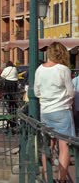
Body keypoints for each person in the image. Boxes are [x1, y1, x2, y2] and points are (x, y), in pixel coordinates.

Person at [34, 43, 75, 182]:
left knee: (48, 146)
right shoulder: (63, 69)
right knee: (64, 146)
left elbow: (36, 92)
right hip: (62, 111)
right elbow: (71, 92)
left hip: (46, 111)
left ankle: (47, 177)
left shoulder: (39, 69)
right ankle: (61, 179)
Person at [0, 61, 19, 130]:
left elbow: (2, 76)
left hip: (8, 84)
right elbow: (17, 76)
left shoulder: (6, 69)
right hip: (14, 84)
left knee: (9, 101)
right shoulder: (15, 69)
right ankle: (14, 103)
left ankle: (9, 101)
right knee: (13, 100)